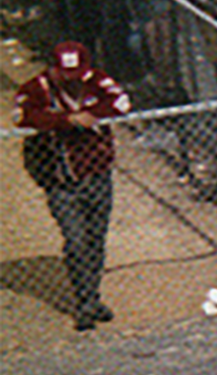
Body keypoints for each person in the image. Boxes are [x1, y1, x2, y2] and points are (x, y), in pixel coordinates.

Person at [16, 42, 132, 331]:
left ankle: (92, 297)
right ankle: (83, 301)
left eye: (77, 76)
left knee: (96, 239)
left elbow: (122, 102)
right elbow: (23, 117)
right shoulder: (35, 88)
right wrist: (66, 120)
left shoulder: (97, 81)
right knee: (76, 241)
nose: (72, 82)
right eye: (66, 76)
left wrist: (94, 115)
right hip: (60, 182)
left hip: (97, 175)